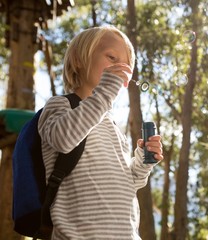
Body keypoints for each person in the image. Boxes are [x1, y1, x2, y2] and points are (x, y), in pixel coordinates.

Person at [38, 25, 163, 239]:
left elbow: (128, 183)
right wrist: (104, 94)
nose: (121, 68)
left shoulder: (113, 126)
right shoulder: (61, 106)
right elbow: (62, 139)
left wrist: (143, 163)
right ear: (78, 60)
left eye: (126, 67)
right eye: (112, 58)